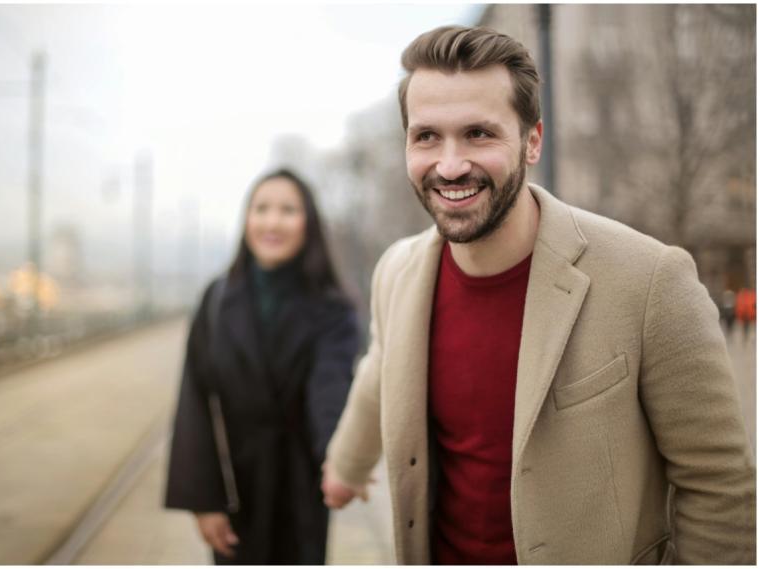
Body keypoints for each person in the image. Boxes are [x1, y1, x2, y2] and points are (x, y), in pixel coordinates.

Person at [321, 25, 755, 565]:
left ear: (532, 141)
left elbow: (719, 488)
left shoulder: (651, 279)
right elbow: (381, 371)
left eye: (479, 133)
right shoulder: (396, 271)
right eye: (426, 136)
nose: (450, 165)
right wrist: (344, 466)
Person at [166, 168, 359, 564]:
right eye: (261, 209)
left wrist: (341, 459)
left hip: (302, 487)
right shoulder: (217, 299)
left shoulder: (333, 308)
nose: (272, 222)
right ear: (246, 220)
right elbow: (195, 401)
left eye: (288, 210)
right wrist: (204, 500)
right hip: (236, 489)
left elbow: (330, 390)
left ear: (308, 223)